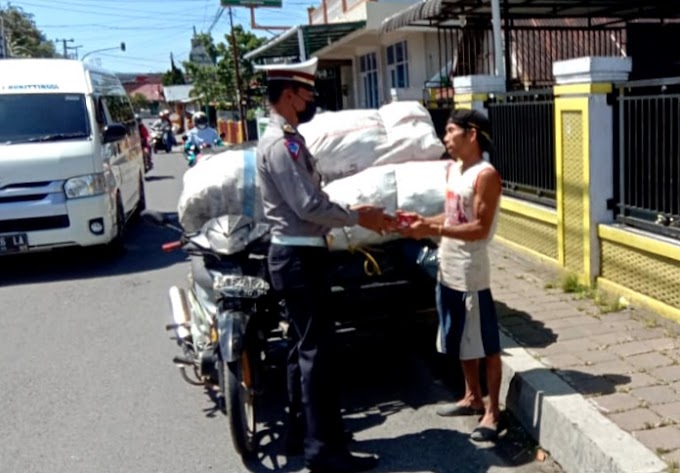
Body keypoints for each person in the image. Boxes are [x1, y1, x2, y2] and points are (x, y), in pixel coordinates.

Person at [255, 57, 391, 473]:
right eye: (307, 92)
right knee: (319, 354)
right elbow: (308, 204)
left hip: (297, 254)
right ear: (289, 95)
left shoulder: (288, 138)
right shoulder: (282, 143)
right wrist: (356, 216)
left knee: (302, 349)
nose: (311, 99)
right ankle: (325, 451)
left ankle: (304, 431)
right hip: (299, 256)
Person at [398, 109, 503, 442]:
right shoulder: (456, 170)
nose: (445, 138)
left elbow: (478, 228)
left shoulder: (485, 175)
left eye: (450, 131)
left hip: (472, 271)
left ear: (471, 134)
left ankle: (493, 413)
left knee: (486, 343)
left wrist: (433, 227)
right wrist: (424, 220)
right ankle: (472, 397)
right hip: (448, 266)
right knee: (459, 338)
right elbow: (453, 215)